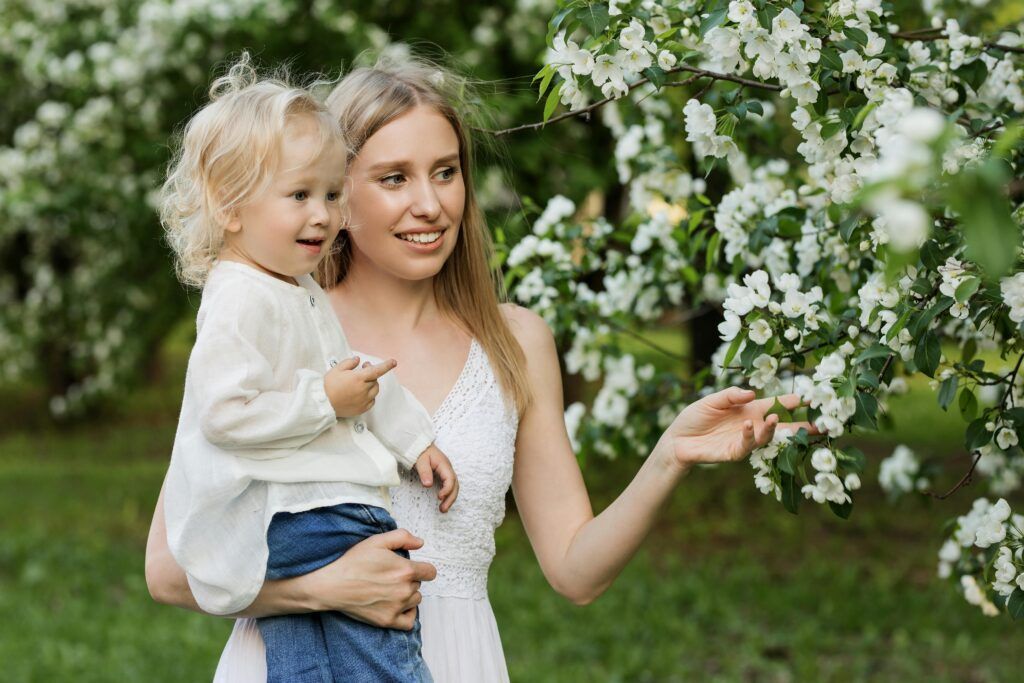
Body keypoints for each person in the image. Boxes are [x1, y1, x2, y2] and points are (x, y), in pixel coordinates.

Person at [146, 54, 809, 682]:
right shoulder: (272, 319)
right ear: (337, 191)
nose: (430, 204)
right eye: (394, 177)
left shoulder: (515, 341)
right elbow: (169, 568)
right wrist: (322, 590)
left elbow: (577, 571)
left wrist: (671, 455)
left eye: (446, 171)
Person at [156, 55, 457, 682]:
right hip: (300, 514)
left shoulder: (290, 287)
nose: (322, 214)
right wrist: (324, 399)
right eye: (299, 195)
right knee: (382, 627)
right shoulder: (242, 298)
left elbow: (356, 374)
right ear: (229, 207)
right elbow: (224, 414)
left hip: (284, 521)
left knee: (300, 655)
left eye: (329, 194)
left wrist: (412, 436)